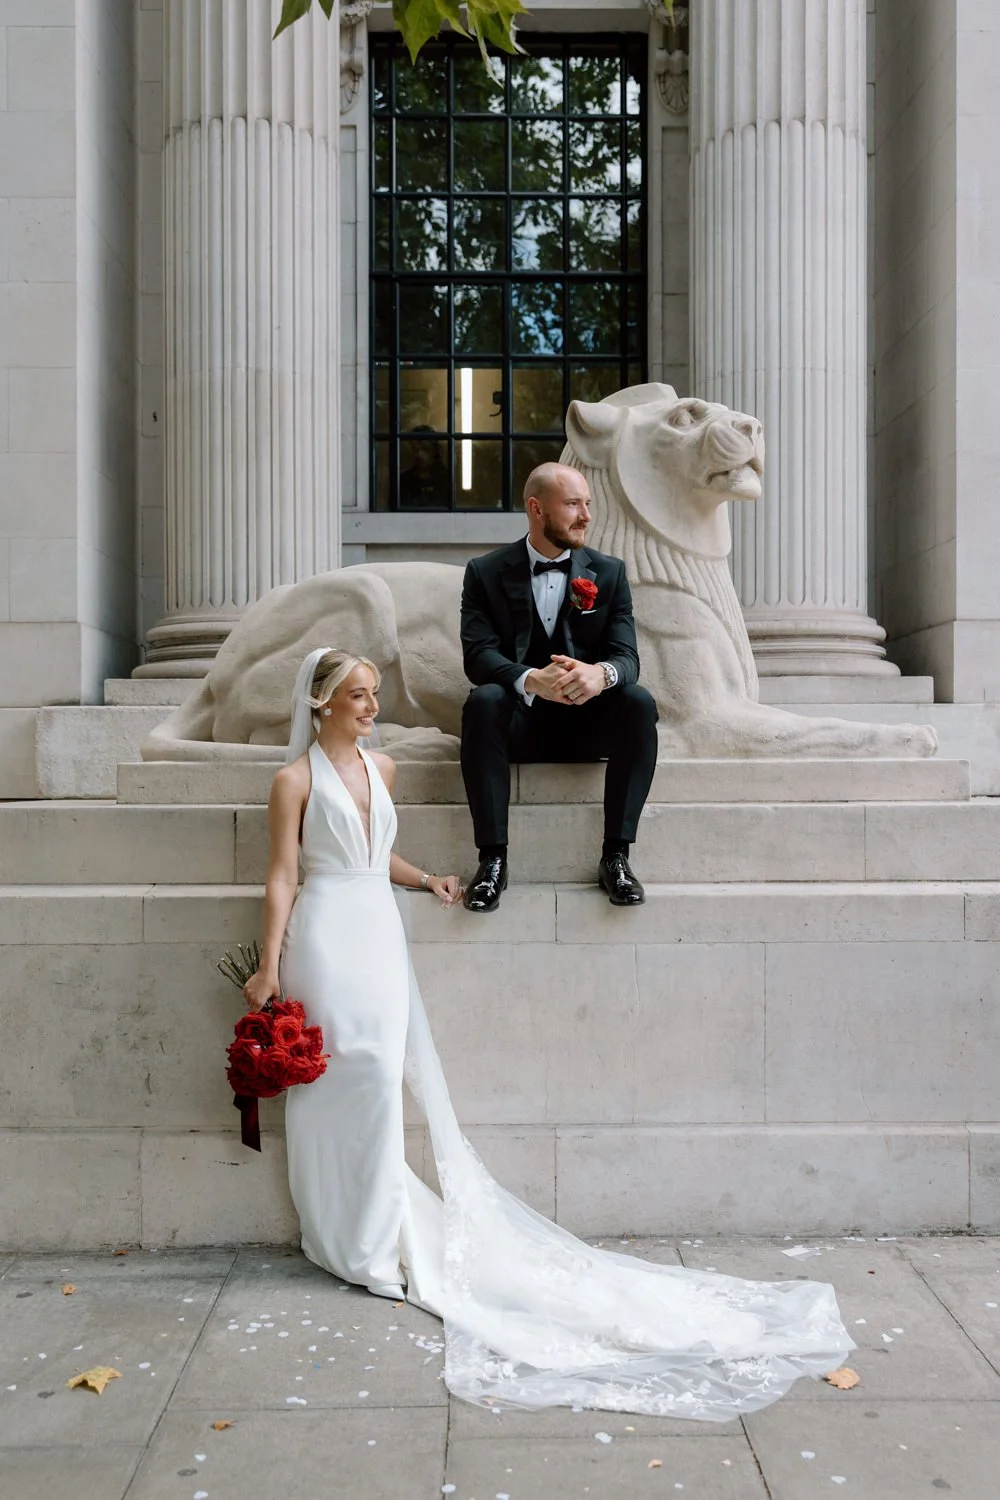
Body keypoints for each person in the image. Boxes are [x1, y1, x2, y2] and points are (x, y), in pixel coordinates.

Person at [241, 645, 854, 1420]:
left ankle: (373, 1226)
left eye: (373, 694)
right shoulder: (291, 780)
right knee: (342, 1078)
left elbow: (372, 847)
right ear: (321, 702)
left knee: (379, 1078)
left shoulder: (384, 768)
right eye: (357, 696)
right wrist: (269, 967)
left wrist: (422, 877)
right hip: (325, 936)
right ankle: (348, 1234)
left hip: (379, 932)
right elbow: (284, 875)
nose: (371, 705)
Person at [460, 462, 658, 913]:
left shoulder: (608, 573)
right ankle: (492, 861)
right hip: (517, 725)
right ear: (536, 509)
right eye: (573, 504)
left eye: (587, 503)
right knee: (484, 699)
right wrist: (530, 679)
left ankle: (617, 857)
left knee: (637, 702)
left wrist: (599, 675)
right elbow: (478, 656)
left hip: (587, 724)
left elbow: (628, 658)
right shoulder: (485, 572)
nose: (586, 515)